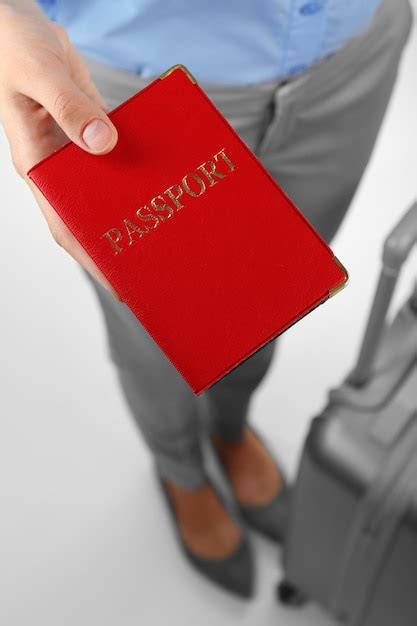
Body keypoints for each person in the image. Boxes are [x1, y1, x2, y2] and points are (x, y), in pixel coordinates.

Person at [0, 0, 413, 599]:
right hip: (136, 82)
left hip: (352, 54)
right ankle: (180, 470)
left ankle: (230, 424)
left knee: (275, 296)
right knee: (151, 341)